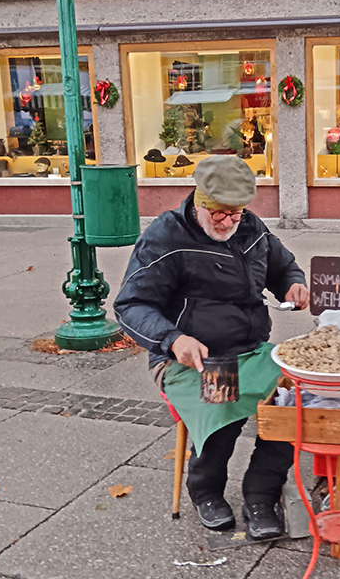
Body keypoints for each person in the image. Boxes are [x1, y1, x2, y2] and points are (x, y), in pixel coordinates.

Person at [114, 156, 309, 539]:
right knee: (223, 403)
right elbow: (130, 306)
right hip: (193, 357)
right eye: (218, 213)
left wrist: (292, 284)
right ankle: (206, 491)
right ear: (199, 202)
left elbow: (283, 266)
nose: (227, 222)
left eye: (236, 213)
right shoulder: (166, 236)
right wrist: (173, 339)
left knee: (297, 401)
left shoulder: (251, 227)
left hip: (251, 348)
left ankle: (261, 494)